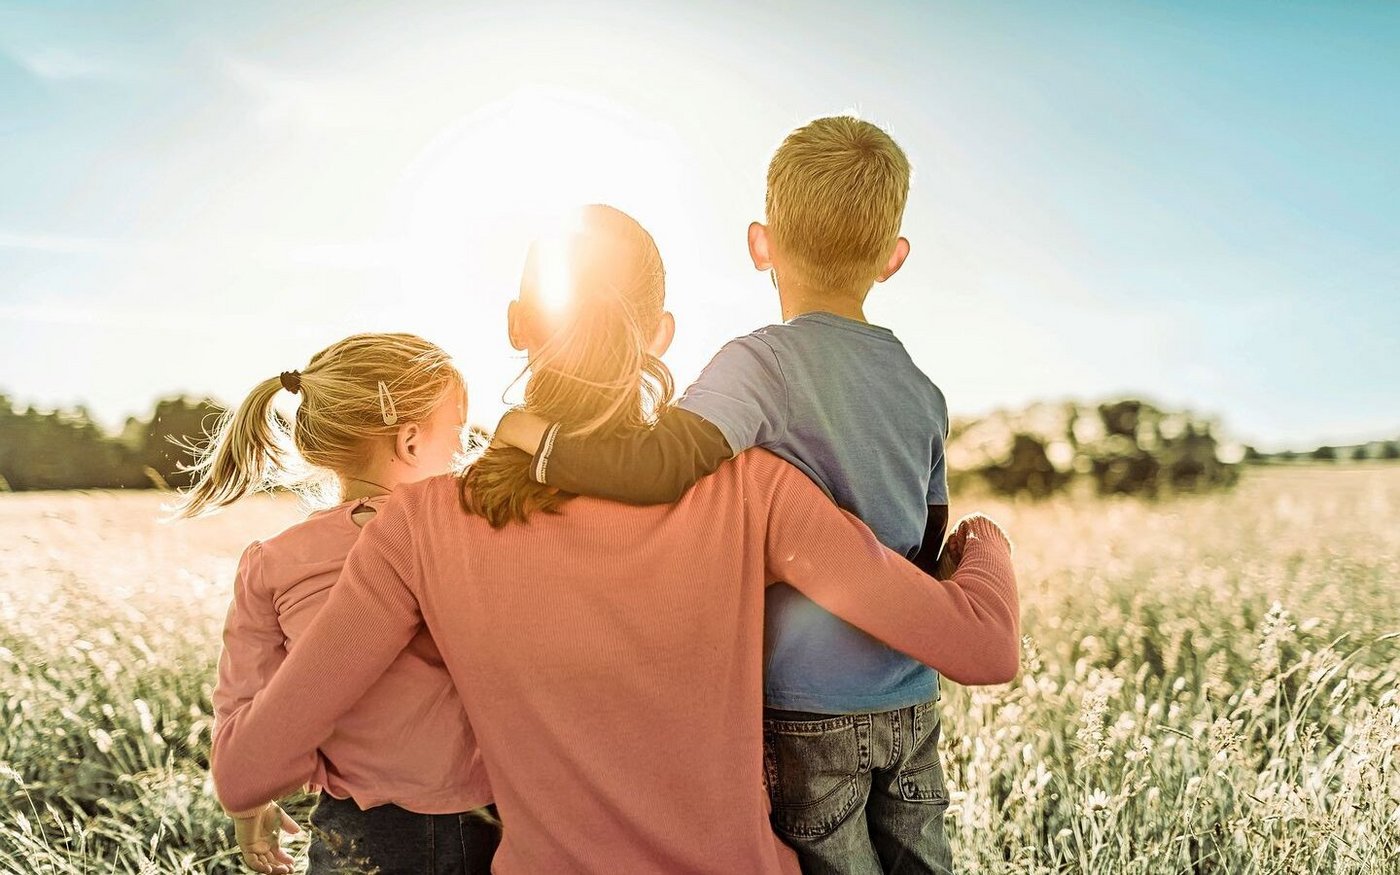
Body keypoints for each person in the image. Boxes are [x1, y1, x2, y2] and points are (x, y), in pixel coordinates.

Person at [211, 205, 1018, 875]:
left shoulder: (418, 527)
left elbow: (249, 769)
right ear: (661, 334)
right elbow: (982, 649)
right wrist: (983, 542)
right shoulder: (753, 491)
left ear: (518, 327)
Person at [493, 117, 955, 872]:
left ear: (760, 243)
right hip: (909, 700)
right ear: (892, 259)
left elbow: (662, 464)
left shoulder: (759, 364)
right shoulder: (922, 390)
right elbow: (928, 541)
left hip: (804, 706)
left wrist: (538, 441)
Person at [178, 333, 496, 875]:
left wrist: (249, 799)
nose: (465, 450)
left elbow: (241, 701)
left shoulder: (270, 562)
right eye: (459, 433)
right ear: (412, 442)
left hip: (354, 832)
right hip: (487, 818)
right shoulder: (470, 536)